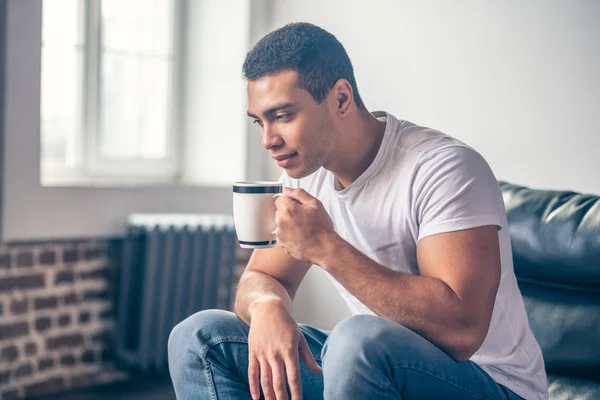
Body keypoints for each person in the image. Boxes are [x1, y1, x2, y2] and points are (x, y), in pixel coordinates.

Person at [168, 22, 548, 400]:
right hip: (376, 367)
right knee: (200, 338)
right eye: (259, 121)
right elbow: (263, 276)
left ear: (341, 99)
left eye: (282, 116)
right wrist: (267, 305)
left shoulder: (443, 168)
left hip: (491, 383)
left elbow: (462, 332)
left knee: (356, 340)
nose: (268, 140)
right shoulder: (305, 175)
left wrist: (326, 248)